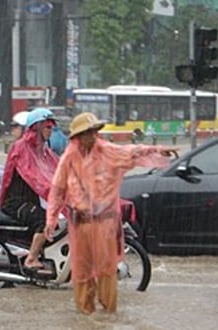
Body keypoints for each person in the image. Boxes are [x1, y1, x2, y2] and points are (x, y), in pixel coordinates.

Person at [44, 112, 179, 315]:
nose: (91, 136)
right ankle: (86, 316)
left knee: (107, 271)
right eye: (86, 133)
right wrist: (51, 219)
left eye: (93, 132)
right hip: (80, 223)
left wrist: (158, 150)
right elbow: (57, 189)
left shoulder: (107, 152)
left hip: (105, 223)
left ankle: (108, 315)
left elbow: (133, 152)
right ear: (77, 137)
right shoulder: (69, 158)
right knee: (81, 272)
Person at [0, 107, 60, 272]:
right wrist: (52, 191)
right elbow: (34, 175)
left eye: (52, 127)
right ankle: (31, 259)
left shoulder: (43, 150)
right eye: (47, 127)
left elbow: (59, 169)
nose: (51, 131)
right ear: (37, 127)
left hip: (30, 200)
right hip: (15, 202)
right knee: (45, 221)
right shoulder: (21, 148)